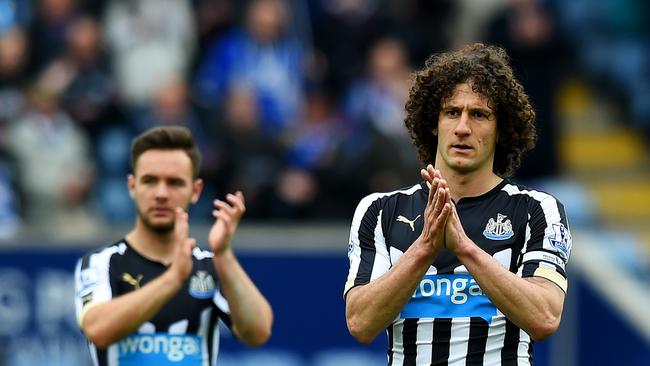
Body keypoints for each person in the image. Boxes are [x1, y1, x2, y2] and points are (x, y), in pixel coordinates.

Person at [344, 43, 571, 365]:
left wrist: (465, 248)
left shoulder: (536, 210)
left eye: (479, 114)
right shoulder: (380, 210)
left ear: (501, 129)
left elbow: (545, 317)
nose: (463, 128)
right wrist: (425, 247)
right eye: (452, 112)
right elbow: (360, 323)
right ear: (434, 123)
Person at [74, 126, 273, 365]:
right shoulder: (103, 262)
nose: (161, 193)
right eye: (149, 181)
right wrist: (173, 278)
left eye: (174, 183)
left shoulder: (209, 265)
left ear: (195, 190)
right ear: (132, 186)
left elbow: (258, 332)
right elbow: (98, 330)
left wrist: (224, 255)